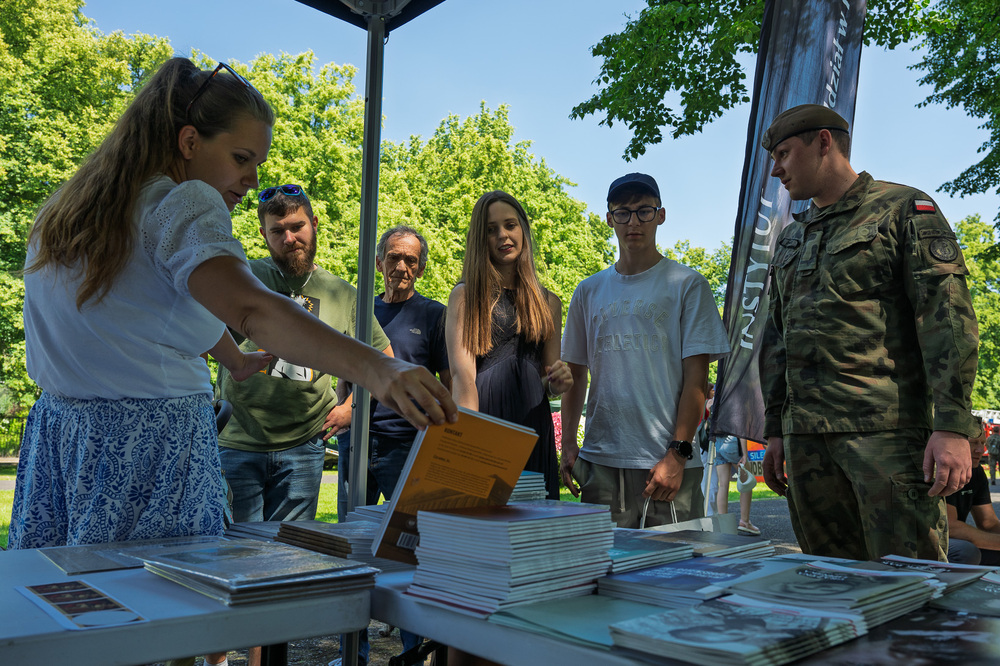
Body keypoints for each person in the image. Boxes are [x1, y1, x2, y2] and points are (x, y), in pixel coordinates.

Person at [759, 104, 979, 562]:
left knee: (912, 585)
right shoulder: (792, 238)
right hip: (807, 442)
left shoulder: (902, 209)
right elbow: (778, 338)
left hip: (885, 437)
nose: (776, 169)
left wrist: (953, 426)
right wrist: (777, 429)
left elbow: (947, 318)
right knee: (829, 584)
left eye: (783, 153)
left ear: (824, 142)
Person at [560, 173, 731, 528]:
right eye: (622, 212)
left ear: (661, 215)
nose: (633, 222)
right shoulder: (588, 291)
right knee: (603, 576)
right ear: (609, 219)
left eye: (644, 211)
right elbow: (575, 374)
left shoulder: (687, 285)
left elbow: (696, 382)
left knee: (675, 576)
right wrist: (568, 447)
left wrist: (678, 454)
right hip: (601, 462)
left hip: (667, 467)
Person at [215, 184, 391, 525]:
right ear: (263, 234)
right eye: (277, 231)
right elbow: (199, 332)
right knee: (235, 555)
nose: (289, 238)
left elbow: (383, 356)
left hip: (303, 448)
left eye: (297, 227)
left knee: (289, 557)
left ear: (314, 223)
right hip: (238, 442)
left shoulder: (342, 294)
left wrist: (352, 410)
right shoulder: (243, 277)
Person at [335, 226, 449, 664]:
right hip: (357, 445)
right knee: (353, 553)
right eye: (393, 257)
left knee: (409, 553)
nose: (402, 266)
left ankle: (412, 653)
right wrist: (344, 407)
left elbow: (448, 381)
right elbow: (346, 367)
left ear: (420, 267)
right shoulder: (358, 309)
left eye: (411, 260)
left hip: (408, 450)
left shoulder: (434, 315)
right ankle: (353, 653)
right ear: (379, 261)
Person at [446, 190, 572, 500]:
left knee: (535, 532)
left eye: (510, 225)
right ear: (481, 239)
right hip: (486, 423)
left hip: (533, 427)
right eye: (491, 229)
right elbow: (463, 377)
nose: (503, 235)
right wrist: (467, 441)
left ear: (523, 230)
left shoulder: (549, 302)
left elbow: (548, 384)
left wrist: (558, 381)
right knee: (486, 527)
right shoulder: (465, 296)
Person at [946, 418, 1000, 566]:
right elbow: (950, 527)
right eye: (974, 443)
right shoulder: (942, 470)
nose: (980, 450)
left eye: (983, 443)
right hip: (925, 540)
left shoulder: (976, 471)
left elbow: (988, 522)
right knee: (965, 552)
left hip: (950, 538)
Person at [713, 435, 760, 535]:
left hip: (718, 441)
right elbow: (741, 429)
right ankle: (745, 522)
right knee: (747, 482)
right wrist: (745, 454)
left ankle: (723, 526)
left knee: (722, 485)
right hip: (733, 441)